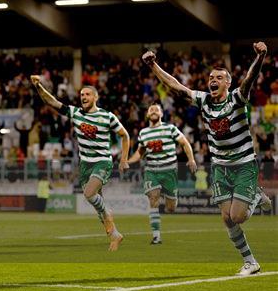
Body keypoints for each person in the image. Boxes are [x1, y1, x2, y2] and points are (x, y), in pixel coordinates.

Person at [142, 42, 272, 275]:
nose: (213, 80)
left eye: (219, 77)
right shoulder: (204, 100)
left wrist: (260, 57)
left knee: (238, 216)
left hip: (243, 164)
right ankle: (250, 262)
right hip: (220, 166)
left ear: (228, 83)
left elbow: (249, 79)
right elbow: (176, 86)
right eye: (211, 77)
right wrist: (153, 66)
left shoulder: (237, 98)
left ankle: (254, 195)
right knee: (227, 219)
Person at [31, 77, 129, 251]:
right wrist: (39, 86)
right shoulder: (75, 113)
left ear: (95, 97)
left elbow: (125, 135)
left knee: (89, 194)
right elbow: (51, 101)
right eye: (82, 94)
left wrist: (123, 159)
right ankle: (114, 235)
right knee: (97, 204)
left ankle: (109, 213)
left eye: (88, 94)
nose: (83, 97)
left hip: (102, 161)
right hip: (85, 165)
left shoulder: (107, 116)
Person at [127, 104, 197, 244]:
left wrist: (191, 159)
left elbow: (184, 142)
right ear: (147, 115)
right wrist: (127, 161)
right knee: (153, 199)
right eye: (151, 110)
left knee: (171, 208)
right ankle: (156, 236)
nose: (153, 111)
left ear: (162, 114)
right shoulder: (143, 133)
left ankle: (170, 198)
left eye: (156, 109)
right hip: (152, 170)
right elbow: (140, 153)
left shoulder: (170, 128)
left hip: (169, 171)